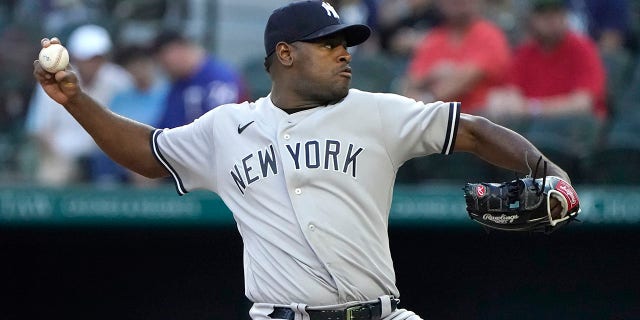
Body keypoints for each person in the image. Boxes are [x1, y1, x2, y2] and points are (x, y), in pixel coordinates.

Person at [33, 1, 573, 319]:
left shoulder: (378, 112)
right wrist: (76, 101)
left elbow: (474, 132)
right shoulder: (227, 127)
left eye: (346, 42)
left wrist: (550, 172)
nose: (345, 52)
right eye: (327, 43)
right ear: (285, 54)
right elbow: (150, 155)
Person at [25, 24, 133, 185]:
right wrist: (59, 157)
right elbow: (40, 129)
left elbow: (129, 126)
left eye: (97, 57)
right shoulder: (53, 80)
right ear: (75, 57)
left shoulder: (120, 80)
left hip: (107, 157)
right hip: (63, 155)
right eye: (87, 58)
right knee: (52, 175)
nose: (92, 63)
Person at [484, 0, 606, 121]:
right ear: (532, 19)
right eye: (543, 14)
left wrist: (532, 108)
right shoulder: (525, 52)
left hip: (575, 130)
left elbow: (583, 104)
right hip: (534, 128)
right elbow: (509, 94)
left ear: (565, 16)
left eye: (556, 13)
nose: (550, 20)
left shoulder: (582, 48)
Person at [402, 0, 511, 114]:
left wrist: (427, 97)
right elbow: (409, 86)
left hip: (479, 123)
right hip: (438, 123)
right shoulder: (433, 39)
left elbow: (463, 81)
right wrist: (433, 74)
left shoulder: (490, 35)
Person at [89, 45, 169, 186]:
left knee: (144, 171)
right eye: (133, 65)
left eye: (143, 64)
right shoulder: (120, 98)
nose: (138, 70)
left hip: (155, 152)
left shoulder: (166, 94)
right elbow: (111, 128)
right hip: (123, 153)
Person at [152, 30, 248, 129]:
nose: (164, 69)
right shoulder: (180, 81)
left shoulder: (219, 79)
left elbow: (223, 129)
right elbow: (165, 127)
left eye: (164, 63)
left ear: (176, 51)